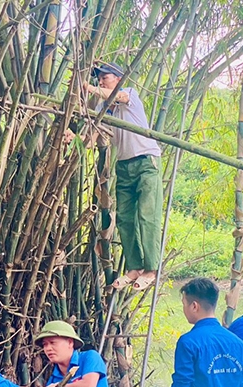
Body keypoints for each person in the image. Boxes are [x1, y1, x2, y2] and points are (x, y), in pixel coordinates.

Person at [83, 61, 163, 292]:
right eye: (98, 80)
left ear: (117, 80)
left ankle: (151, 268)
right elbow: (92, 134)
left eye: (104, 78)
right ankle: (135, 266)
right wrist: (75, 141)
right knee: (126, 219)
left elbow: (117, 96)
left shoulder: (129, 95)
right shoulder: (104, 108)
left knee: (147, 216)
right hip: (124, 166)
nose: (100, 82)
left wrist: (88, 88)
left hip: (146, 162)